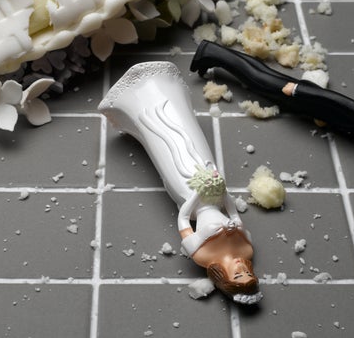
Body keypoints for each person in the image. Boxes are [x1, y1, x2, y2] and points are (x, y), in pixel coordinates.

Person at [99, 61, 262, 303]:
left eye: (238, 274)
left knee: (173, 154)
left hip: (188, 194)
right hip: (213, 190)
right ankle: (160, 94)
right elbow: (234, 215)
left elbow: (183, 219)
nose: (242, 267)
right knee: (192, 146)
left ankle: (141, 107)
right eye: (247, 272)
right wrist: (221, 192)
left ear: (224, 277)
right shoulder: (246, 249)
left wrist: (195, 196)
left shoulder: (203, 255)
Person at [191, 41, 354, 155]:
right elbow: (334, 100)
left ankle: (211, 55)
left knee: (259, 79)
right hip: (300, 95)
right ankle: (210, 53)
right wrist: (297, 90)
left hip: (306, 104)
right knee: (257, 78)